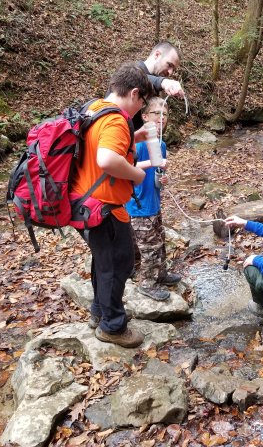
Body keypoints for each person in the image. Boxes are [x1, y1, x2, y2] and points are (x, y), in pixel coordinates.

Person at [70, 62, 155, 347]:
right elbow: (106, 159)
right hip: (103, 208)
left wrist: (135, 137)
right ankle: (113, 327)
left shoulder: (94, 107)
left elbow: (97, 144)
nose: (140, 110)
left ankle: (100, 312)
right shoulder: (117, 119)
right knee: (119, 265)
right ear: (134, 93)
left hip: (83, 203)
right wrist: (137, 174)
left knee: (103, 262)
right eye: (142, 101)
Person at [126, 97, 181, 301]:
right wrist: (151, 163)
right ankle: (146, 283)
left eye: (164, 114)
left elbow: (156, 173)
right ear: (145, 116)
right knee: (149, 246)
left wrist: (162, 177)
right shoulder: (137, 143)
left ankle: (161, 274)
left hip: (153, 202)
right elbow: (126, 168)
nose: (161, 118)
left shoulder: (161, 144)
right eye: (156, 114)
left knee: (160, 240)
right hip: (137, 204)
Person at [134, 41, 185, 130]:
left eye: (173, 69)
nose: (170, 72)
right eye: (169, 65)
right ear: (157, 55)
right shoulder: (131, 72)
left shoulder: (156, 83)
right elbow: (137, 77)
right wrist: (164, 82)